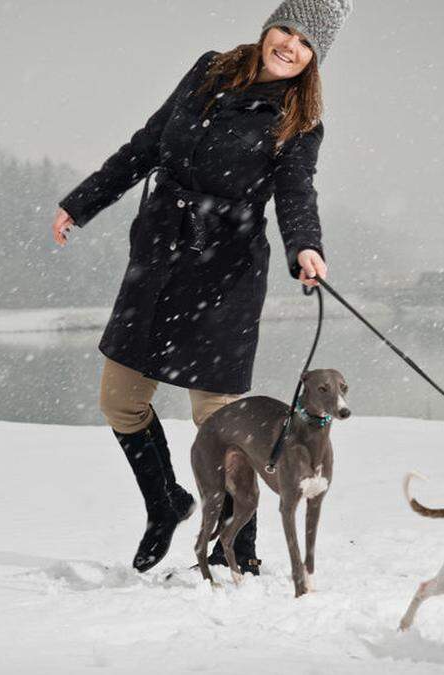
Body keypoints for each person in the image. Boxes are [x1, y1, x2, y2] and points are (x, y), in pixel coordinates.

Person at [50, 0, 353, 573]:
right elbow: (148, 143)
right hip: (159, 257)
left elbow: (295, 193)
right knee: (120, 399)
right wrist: (82, 201)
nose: (289, 45)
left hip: (225, 273)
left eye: (305, 42)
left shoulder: (300, 119)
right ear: (269, 27)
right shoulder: (211, 70)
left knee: (221, 419)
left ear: (317, 57)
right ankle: (166, 503)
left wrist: (304, 245)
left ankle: (240, 548)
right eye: (285, 29)